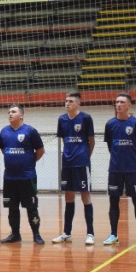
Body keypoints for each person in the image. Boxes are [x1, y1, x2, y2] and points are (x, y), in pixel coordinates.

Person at [103, 92, 136, 247]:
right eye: (117, 102)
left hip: (132, 170)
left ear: (129, 105)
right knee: (113, 201)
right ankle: (113, 234)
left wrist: (133, 160)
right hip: (115, 170)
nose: (119, 105)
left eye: (122, 102)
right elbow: (110, 146)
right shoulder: (110, 124)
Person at [0, 105, 46, 245]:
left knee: (31, 207)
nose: (10, 114)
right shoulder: (3, 132)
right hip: (10, 178)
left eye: (13, 111)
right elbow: (3, 149)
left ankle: (36, 234)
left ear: (21, 116)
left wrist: (29, 162)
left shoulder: (30, 131)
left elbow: (40, 151)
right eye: (9, 112)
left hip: (27, 177)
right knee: (12, 208)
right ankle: (15, 234)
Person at [54, 91, 97, 245]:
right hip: (67, 163)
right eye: (66, 101)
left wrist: (85, 156)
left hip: (81, 163)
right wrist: (69, 154)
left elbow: (91, 141)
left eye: (70, 101)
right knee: (68, 197)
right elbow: (65, 140)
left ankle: (90, 233)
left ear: (78, 103)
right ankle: (66, 233)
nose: (67, 104)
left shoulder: (86, 118)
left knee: (85, 196)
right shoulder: (62, 119)